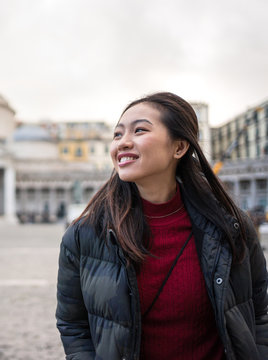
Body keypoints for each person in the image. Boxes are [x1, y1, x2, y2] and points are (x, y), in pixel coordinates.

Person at [56, 92, 268, 359]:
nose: (123, 143)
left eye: (140, 130)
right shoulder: (83, 236)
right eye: (117, 134)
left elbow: (259, 313)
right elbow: (73, 326)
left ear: (179, 147)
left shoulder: (233, 226)